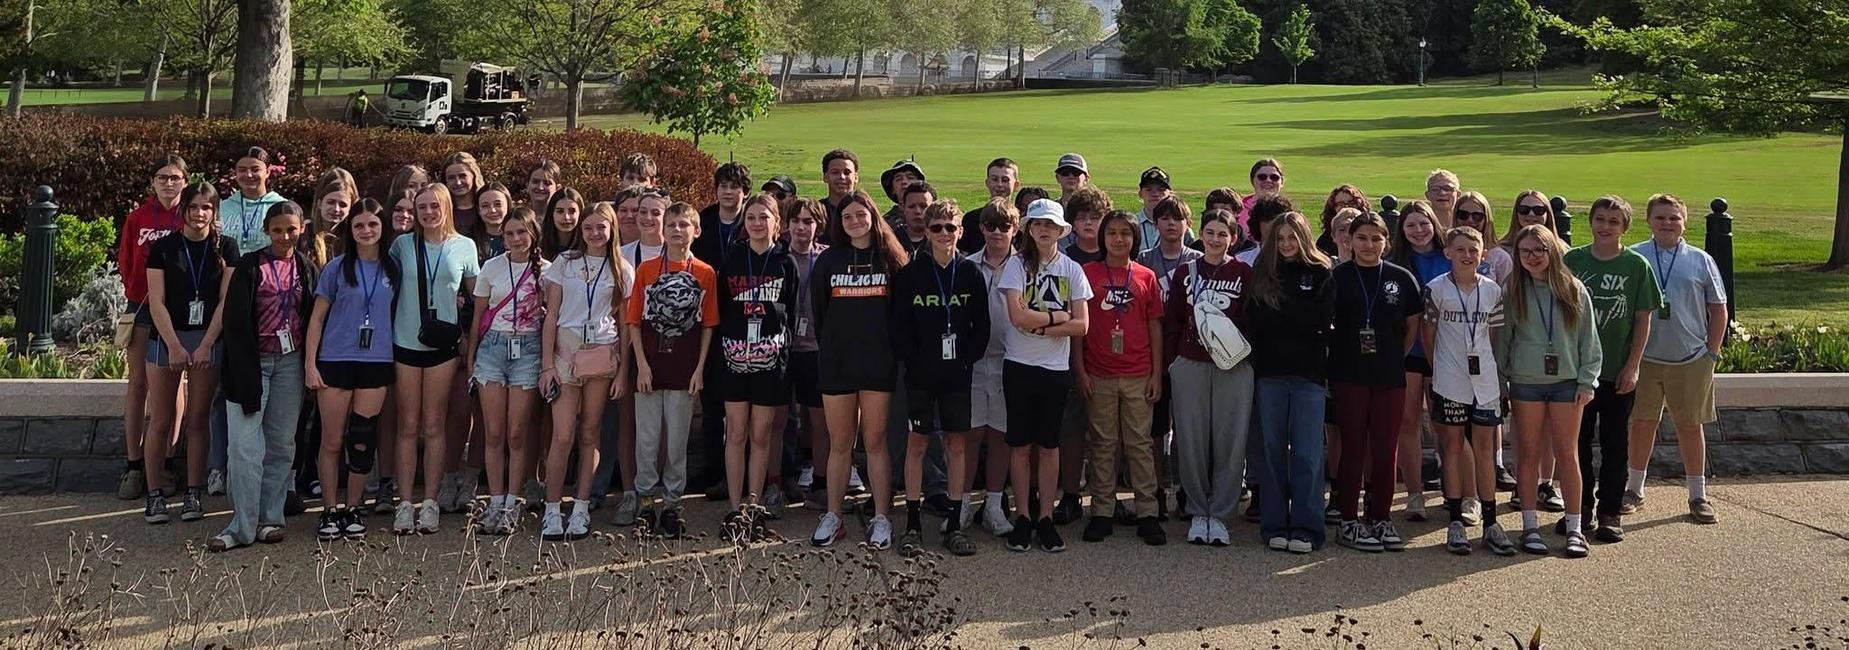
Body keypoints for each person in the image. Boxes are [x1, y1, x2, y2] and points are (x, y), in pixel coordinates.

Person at [211, 201, 317, 552]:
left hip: (290, 363)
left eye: (291, 229)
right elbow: (234, 322)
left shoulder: (305, 267)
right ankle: (242, 525)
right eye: (277, 230)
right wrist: (244, 372)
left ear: (302, 229)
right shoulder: (248, 266)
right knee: (243, 447)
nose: (285, 236)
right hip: (251, 364)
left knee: (281, 445)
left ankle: (270, 519)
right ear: (267, 232)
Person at [890, 199, 990, 556]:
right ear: (927, 232)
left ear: (961, 232)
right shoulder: (911, 275)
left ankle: (955, 520)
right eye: (937, 228)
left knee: (957, 445)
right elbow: (899, 327)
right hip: (920, 375)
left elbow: (982, 327)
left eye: (951, 227)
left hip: (957, 376)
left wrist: (966, 360)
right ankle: (913, 523)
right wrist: (914, 361)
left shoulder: (970, 273)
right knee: (917, 444)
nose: (944, 234)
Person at [809, 190, 908, 549]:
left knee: (876, 441)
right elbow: (820, 314)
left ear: (872, 216)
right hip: (837, 363)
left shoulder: (891, 260)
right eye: (847, 217)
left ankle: (882, 517)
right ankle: (833, 515)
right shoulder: (828, 262)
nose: (854, 221)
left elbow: (901, 315)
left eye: (860, 215)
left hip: (878, 363)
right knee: (840, 443)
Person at [1497, 224, 1601, 558]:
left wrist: (1587, 380)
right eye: (1524, 251)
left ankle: (1574, 528)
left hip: (1566, 383)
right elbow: (1503, 340)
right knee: (1527, 454)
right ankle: (1529, 526)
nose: (1532, 258)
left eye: (1538, 251)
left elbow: (1589, 340)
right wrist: (1501, 381)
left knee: (1566, 454)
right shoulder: (1512, 288)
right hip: (1525, 382)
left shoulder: (1572, 288)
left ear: (1551, 251)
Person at [1626, 193, 1728, 525]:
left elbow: (1718, 309)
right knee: (1642, 424)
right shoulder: (1635, 256)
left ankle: (1698, 495)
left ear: (1684, 222)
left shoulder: (1700, 260)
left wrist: (1710, 353)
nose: (1667, 223)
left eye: (1674, 217)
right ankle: (1634, 490)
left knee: (1689, 426)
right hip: (1645, 358)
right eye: (1660, 217)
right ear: (1648, 220)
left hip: (1689, 358)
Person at [998, 198, 1092, 553]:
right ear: (1029, 229)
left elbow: (1082, 324)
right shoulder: (1016, 266)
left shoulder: (1071, 269)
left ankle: (1045, 517)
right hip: (1019, 364)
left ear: (1059, 229)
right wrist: (1056, 319)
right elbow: (1017, 318)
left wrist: (1041, 321)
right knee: (1020, 445)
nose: (1044, 229)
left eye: (1050, 225)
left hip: (1054, 369)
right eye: (1037, 224)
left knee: (1049, 445)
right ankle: (1022, 516)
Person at [1563, 195, 1659, 543]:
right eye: (1600, 219)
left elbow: (1643, 319)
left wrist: (1632, 367)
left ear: (1624, 228)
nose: (1605, 226)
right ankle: (1580, 508)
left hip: (1617, 371)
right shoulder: (1573, 260)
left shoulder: (1635, 266)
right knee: (1578, 444)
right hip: (1578, 372)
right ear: (1590, 222)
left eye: (1613, 222)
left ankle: (1610, 512)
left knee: (1616, 443)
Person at [142, 182, 238, 525]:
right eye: (194, 207)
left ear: (215, 213)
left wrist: (207, 343)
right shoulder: (163, 249)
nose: (200, 214)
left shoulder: (226, 247)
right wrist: (174, 344)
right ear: (184, 210)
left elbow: (226, 301)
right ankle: (154, 494)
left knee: (199, 420)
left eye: (207, 208)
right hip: (167, 338)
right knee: (162, 420)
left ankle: (193, 493)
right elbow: (156, 300)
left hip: (207, 339)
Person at [388, 184, 481, 535]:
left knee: (434, 424)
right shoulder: (402, 245)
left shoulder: (464, 246)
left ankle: (430, 501)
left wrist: (468, 334)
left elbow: (476, 298)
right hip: (406, 342)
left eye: (433, 206)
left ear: (446, 207)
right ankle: (404, 502)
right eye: (421, 207)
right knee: (407, 425)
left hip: (443, 346)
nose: (428, 213)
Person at [537, 202, 632, 541]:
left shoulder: (622, 267)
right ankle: (551, 509)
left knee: (590, 433)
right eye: (588, 227)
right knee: (562, 435)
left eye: (601, 228)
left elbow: (624, 325)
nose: (594, 234)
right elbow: (551, 316)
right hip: (565, 350)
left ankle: (580, 507)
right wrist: (547, 365)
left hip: (602, 355)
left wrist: (622, 374)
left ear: (611, 230)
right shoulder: (564, 263)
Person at [1329, 212, 1423, 553]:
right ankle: (1349, 519)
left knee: (1386, 448)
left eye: (1376, 238)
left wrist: (1395, 355)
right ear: (1350, 241)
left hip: (1388, 375)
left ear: (1386, 241)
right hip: (1349, 374)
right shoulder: (1337, 277)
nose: (1369, 245)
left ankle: (1380, 516)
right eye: (1362, 238)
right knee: (1353, 445)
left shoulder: (1401, 278)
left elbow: (1412, 325)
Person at [305, 201, 397, 541]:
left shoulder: (393, 268)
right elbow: (316, 319)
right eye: (359, 226)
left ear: (382, 227)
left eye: (373, 224)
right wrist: (310, 365)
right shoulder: (336, 269)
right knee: (331, 440)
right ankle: (329, 509)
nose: (366, 231)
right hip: (336, 360)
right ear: (351, 230)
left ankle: (353, 506)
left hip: (376, 361)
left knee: (361, 439)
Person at [1074, 210, 1166, 546]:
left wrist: (1157, 372)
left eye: (1125, 233)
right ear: (1103, 238)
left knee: (1139, 445)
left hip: (1138, 373)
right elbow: (1078, 327)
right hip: (1098, 372)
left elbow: (1155, 325)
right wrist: (1079, 370)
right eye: (1111, 232)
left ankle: (1147, 512)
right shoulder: (1088, 273)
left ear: (1135, 238)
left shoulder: (1145, 276)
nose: (1118, 239)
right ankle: (1102, 511)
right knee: (1102, 445)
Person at [628, 202, 719, 538]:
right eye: (672, 225)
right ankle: (647, 502)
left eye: (684, 224)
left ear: (696, 230)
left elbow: (708, 324)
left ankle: (671, 503)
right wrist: (641, 365)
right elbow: (634, 321)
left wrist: (699, 369)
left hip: (684, 367)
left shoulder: (705, 273)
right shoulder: (647, 270)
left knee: (678, 439)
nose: (678, 231)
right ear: (662, 231)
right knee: (648, 439)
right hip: (651, 365)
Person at [1163, 209, 1253, 547]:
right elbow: (1172, 320)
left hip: (1234, 366)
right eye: (1210, 232)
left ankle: (1222, 512)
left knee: (1230, 439)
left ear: (1233, 237)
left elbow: (1251, 318)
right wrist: (1173, 362)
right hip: (1191, 362)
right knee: (1190, 438)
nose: (1215, 239)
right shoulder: (1185, 272)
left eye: (1222, 234)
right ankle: (1198, 509)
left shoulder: (1243, 272)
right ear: (1200, 234)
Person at [1247, 212, 1335, 553]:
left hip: (1309, 375)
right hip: (1269, 373)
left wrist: (1282, 312)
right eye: (1280, 238)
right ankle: (1274, 525)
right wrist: (1295, 315)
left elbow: (1320, 319)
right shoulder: (1263, 272)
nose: (1286, 244)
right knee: (1271, 452)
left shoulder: (1321, 272)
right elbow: (1258, 319)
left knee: (1307, 453)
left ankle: (1307, 527)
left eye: (1292, 237)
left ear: (1303, 238)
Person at [1423, 226, 1512, 556]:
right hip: (1449, 379)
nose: (1467, 255)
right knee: (1453, 447)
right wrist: (1436, 372)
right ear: (1448, 253)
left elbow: (1493, 335)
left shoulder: (1492, 290)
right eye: (1459, 249)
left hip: (1485, 380)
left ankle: (1491, 521)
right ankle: (1456, 521)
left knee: (1486, 450)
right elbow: (1428, 335)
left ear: (1483, 253)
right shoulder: (1436, 289)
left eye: (1473, 249)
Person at [716, 193, 800, 540]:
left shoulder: (786, 262)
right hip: (735, 359)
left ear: (775, 222)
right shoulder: (733, 259)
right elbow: (722, 309)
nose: (756, 223)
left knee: (762, 434)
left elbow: (791, 313)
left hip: (770, 362)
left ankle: (753, 507)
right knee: (736, 433)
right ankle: (735, 508)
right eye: (750, 217)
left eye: (763, 217)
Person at [468, 208, 549, 535]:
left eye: (521, 232)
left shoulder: (547, 270)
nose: (516, 239)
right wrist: (472, 360)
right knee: (494, 432)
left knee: (517, 433)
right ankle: (495, 498)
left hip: (528, 350)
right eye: (509, 233)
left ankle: (513, 502)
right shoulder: (492, 267)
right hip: (493, 350)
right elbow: (478, 319)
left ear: (533, 234)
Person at [118, 154, 189, 501]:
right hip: (142, 308)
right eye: (162, 177)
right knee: (137, 384)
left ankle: (166, 462)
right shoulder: (138, 218)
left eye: (175, 178)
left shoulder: (190, 217)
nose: (168, 183)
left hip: (178, 313)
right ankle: (133, 465)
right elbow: (126, 262)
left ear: (185, 182)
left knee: (175, 388)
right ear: (153, 182)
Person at [605, 186, 670, 526]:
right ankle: (631, 492)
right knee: (629, 423)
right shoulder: (621, 254)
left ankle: (657, 491)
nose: (645, 218)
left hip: (668, 349)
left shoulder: (678, 252)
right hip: (628, 349)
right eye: (641, 211)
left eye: (654, 212)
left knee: (661, 425)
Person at [1136, 196, 1203, 520]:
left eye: (1177, 218)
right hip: (1153, 355)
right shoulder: (1144, 260)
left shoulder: (1199, 261)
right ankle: (1155, 491)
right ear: (1156, 223)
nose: (1171, 223)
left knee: (1189, 427)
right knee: (1155, 429)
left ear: (1187, 223)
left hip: (1189, 352)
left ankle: (1187, 490)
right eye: (1164, 218)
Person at [1501, 189, 1566, 512]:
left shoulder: (1564, 254)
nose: (1531, 214)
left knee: (1552, 432)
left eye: (1538, 209)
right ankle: (1521, 484)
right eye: (1524, 209)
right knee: (1522, 431)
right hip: (1523, 361)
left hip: (1557, 364)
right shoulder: (1502, 251)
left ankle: (1545, 484)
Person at [1047, 186, 1110, 523]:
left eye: (1095, 217)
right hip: (1069, 354)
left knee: (1107, 434)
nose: (1089, 223)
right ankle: (1070, 494)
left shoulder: (1117, 252)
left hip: (1111, 356)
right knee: (1070, 430)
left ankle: (1107, 497)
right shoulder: (1064, 258)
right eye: (1082, 217)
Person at [1389, 200, 1451, 522]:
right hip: (1410, 352)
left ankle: (1452, 490)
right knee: (1409, 423)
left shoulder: (1450, 256)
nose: (1418, 231)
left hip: (1447, 353)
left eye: (1423, 223)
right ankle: (1414, 493)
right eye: (1410, 225)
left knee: (1446, 426)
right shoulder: (1397, 262)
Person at [694, 162, 751, 500]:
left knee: (744, 402)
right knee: (713, 401)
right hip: (711, 319)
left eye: (735, 186)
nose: (728, 192)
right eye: (723, 186)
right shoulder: (704, 220)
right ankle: (712, 468)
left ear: (745, 190)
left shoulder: (755, 219)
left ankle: (743, 472)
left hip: (745, 318)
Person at [966, 198, 1023, 536]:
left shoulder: (1025, 267)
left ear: (1015, 229)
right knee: (970, 436)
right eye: (991, 226)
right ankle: (963, 506)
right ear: (982, 229)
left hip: (1011, 361)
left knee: (1001, 437)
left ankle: (993, 505)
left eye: (1005, 226)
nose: (998, 232)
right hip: (973, 362)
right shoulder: (968, 265)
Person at [784, 198, 837, 513]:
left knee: (820, 422)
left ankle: (820, 481)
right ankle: (781, 478)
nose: (802, 227)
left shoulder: (828, 259)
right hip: (783, 350)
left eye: (808, 221)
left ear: (818, 225)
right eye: (796, 221)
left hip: (817, 350)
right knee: (781, 420)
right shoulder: (778, 257)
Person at [220, 147, 288, 255]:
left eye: (255, 170)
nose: (249, 175)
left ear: (267, 172)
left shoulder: (282, 208)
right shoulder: (222, 208)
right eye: (242, 170)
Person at [958, 158, 1020, 254]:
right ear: (987, 183)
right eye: (994, 179)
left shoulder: (1024, 221)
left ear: (1016, 184)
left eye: (1005, 180)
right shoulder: (971, 219)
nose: (999, 184)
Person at [1316, 185, 1369, 258]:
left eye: (1352, 203)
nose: (1347, 207)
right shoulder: (1324, 242)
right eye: (1341, 204)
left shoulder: (1370, 237)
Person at [470, 182, 515, 261]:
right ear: (478, 210)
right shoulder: (470, 241)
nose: (492, 210)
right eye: (485, 206)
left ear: (508, 205)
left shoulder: (520, 237)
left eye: (498, 204)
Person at [443, 152, 486, 234]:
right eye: (451, 178)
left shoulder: (487, 207)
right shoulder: (441, 210)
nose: (458, 182)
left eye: (463, 176)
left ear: (474, 176)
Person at [879, 158, 926, 232]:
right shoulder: (884, 224)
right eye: (898, 179)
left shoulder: (932, 216)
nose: (904, 182)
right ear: (893, 189)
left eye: (910, 178)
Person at [542, 187, 586, 259]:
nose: (566, 217)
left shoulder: (588, 248)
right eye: (560, 211)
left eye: (572, 212)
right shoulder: (539, 246)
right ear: (551, 213)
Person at [1242, 159, 1286, 230]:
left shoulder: (1289, 210)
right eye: (1262, 177)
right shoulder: (1238, 207)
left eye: (1274, 177)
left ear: (1282, 182)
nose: (1268, 180)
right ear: (1252, 180)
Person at [821, 149, 861, 225]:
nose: (842, 177)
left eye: (847, 172)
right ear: (825, 177)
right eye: (835, 172)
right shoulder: (816, 212)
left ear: (855, 177)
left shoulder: (866, 212)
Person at [897, 182, 936, 254]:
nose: (918, 211)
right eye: (911, 206)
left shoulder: (943, 241)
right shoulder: (890, 240)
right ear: (903, 208)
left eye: (924, 206)